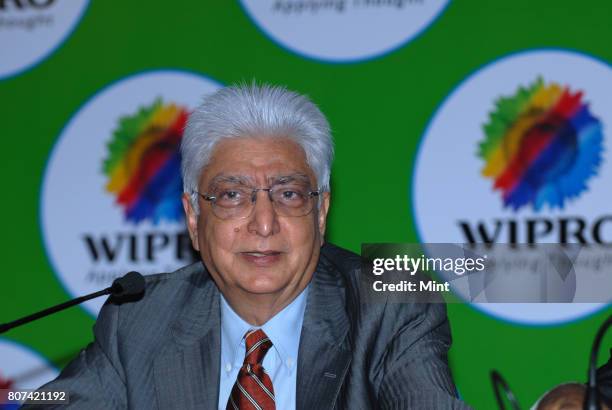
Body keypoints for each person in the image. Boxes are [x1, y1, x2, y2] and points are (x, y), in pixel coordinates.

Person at [25, 84, 469, 409]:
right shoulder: (141, 318)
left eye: (289, 194)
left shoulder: (390, 299)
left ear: (320, 212)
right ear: (194, 219)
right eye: (233, 195)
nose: (263, 222)